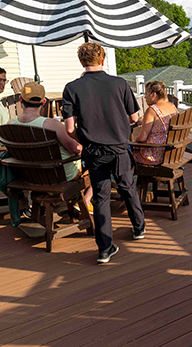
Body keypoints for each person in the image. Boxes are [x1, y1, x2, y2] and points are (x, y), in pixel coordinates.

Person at [62, 42, 145, 264]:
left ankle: (105, 250)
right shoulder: (120, 84)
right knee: (128, 188)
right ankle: (139, 228)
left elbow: (69, 129)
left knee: (100, 197)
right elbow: (135, 118)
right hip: (119, 149)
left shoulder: (72, 88)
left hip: (94, 152)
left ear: (81, 62)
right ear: (103, 60)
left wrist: (86, 141)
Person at [7, 83, 90, 200]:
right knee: (97, 163)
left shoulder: (10, 125)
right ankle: (85, 201)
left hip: (28, 175)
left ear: (20, 99)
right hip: (60, 176)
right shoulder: (52, 125)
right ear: (44, 101)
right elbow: (75, 149)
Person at [134, 81, 179, 166]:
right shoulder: (172, 106)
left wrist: (133, 144)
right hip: (170, 154)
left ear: (153, 95)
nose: (144, 97)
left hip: (154, 156)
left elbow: (142, 138)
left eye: (146, 94)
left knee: (126, 154)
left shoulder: (152, 110)